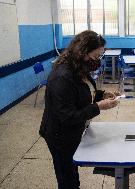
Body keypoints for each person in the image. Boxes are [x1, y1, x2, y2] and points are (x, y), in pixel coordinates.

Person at [39, 30, 119, 189]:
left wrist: (101, 95)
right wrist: (98, 107)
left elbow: (81, 95)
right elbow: (68, 116)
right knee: (68, 179)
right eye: (96, 56)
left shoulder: (79, 67)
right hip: (59, 135)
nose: (97, 61)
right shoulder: (62, 77)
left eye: (100, 56)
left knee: (72, 173)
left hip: (72, 131)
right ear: (82, 51)